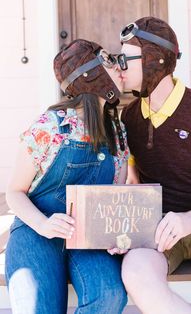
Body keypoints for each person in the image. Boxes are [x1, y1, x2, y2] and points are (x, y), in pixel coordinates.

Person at [118, 17, 191, 314]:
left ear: (152, 61)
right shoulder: (128, 118)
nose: (118, 67)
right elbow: (132, 186)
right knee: (134, 270)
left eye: (124, 59)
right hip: (158, 233)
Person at [5, 39, 129, 314]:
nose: (121, 67)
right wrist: (44, 224)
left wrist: (115, 235)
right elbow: (14, 191)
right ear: (91, 74)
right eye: (109, 61)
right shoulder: (51, 126)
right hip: (36, 230)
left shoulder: (117, 133)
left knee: (109, 296)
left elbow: (114, 198)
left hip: (88, 237)